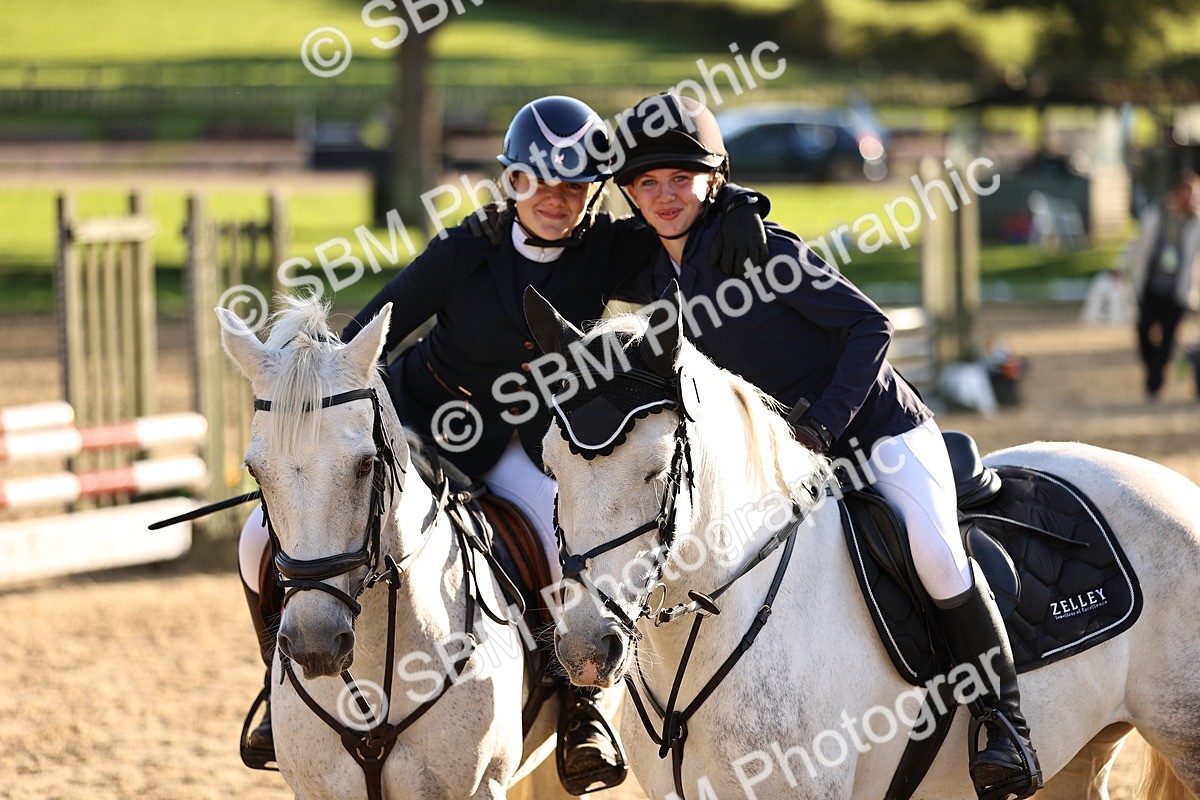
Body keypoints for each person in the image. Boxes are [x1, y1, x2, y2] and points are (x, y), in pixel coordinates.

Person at [237, 95, 771, 795]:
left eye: (575, 187)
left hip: (526, 446)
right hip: (420, 429)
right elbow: (369, 334)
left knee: (564, 546)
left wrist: (731, 208)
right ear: (510, 181)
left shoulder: (608, 250)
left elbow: (683, 240)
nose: (557, 199)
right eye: (539, 182)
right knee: (256, 539)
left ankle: (580, 709)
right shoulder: (465, 250)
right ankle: (278, 695)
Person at [610, 92, 1042, 799]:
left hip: (877, 434)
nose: (664, 196)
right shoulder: (653, 272)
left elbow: (870, 327)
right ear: (629, 192)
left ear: (711, 180)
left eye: (681, 180)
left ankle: (1005, 722)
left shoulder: (766, 250)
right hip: (783, 465)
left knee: (935, 555)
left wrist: (825, 424)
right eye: (647, 183)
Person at [1127, 169, 1200, 399]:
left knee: (1168, 337)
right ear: (1176, 192)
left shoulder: (1196, 223)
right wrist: (1122, 268)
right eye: (1188, 192)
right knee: (1143, 330)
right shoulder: (1157, 213)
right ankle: (1153, 369)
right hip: (1152, 286)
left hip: (1178, 291)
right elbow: (1139, 244)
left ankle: (1155, 380)